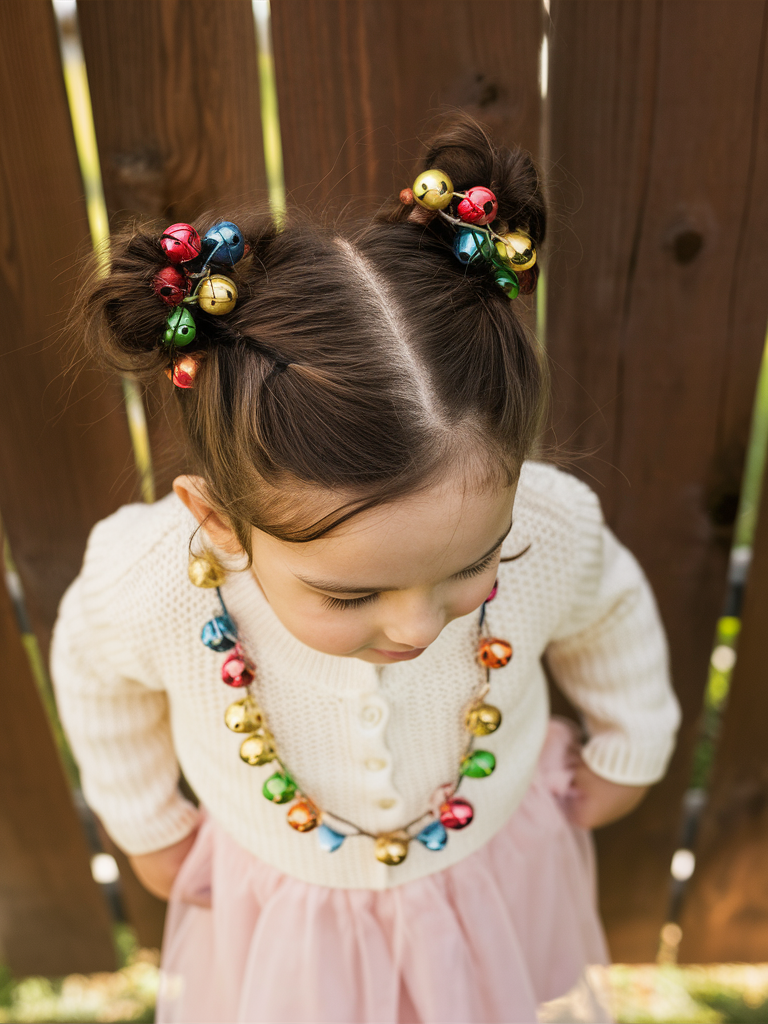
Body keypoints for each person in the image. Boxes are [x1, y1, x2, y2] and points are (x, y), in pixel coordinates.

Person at [51, 117, 680, 1024]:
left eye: (473, 563)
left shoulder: (549, 520)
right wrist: (145, 823)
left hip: (486, 871)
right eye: (350, 593)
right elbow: (94, 671)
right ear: (220, 521)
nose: (420, 628)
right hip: (288, 910)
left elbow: (608, 610)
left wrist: (633, 739)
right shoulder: (151, 578)